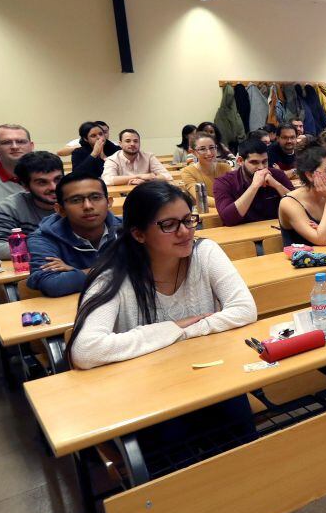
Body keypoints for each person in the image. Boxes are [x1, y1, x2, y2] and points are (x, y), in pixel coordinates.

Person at [66, 181, 256, 449]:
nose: (185, 232)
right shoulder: (113, 276)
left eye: (188, 220)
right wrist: (170, 329)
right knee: (173, 436)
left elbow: (244, 309)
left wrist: (184, 331)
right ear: (139, 234)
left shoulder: (205, 252)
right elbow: (86, 351)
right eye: (169, 225)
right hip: (147, 392)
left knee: (236, 417)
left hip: (206, 377)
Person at [27, 172, 121, 297]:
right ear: (60, 210)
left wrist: (78, 272)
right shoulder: (43, 238)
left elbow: (149, 267)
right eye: (76, 200)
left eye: (95, 197)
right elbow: (52, 284)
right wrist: (122, 268)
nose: (88, 206)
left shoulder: (129, 228)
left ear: (109, 202)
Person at [0, 151, 63, 260]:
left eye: (58, 179)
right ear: (25, 186)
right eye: (42, 182)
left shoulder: (80, 201)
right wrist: (47, 247)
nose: (54, 187)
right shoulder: (11, 207)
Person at [277, 146, 326, 247]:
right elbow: (322, 240)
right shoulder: (289, 202)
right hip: (302, 261)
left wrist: (323, 231)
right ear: (310, 175)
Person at [213, 138, 293, 226]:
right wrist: (254, 186)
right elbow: (228, 219)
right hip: (242, 236)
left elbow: (299, 207)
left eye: (264, 161)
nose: (261, 167)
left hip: (274, 232)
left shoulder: (277, 175)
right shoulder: (224, 182)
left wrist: (277, 185)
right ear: (240, 161)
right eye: (254, 162)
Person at [102, 129, 170, 187]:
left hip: (147, 193)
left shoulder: (149, 157)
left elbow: (166, 176)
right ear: (120, 144)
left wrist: (145, 181)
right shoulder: (112, 159)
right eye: (128, 141)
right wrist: (139, 176)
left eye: (135, 141)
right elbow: (107, 180)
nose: (132, 144)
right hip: (123, 195)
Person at [179, 133, 231, 204]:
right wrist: (229, 203)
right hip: (207, 212)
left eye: (212, 147)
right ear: (193, 152)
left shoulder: (225, 168)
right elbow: (201, 198)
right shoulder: (187, 171)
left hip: (228, 209)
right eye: (202, 149)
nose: (209, 153)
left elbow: (234, 193)